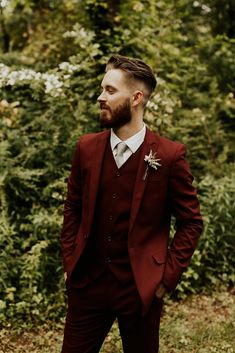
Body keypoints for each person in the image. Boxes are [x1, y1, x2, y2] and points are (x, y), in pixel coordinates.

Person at [60, 54, 203, 353]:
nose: (101, 97)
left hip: (140, 289)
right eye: (102, 89)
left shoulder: (170, 155)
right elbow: (72, 207)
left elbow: (191, 222)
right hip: (88, 285)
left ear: (136, 97)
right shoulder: (86, 148)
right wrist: (70, 260)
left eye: (110, 91)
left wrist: (166, 278)